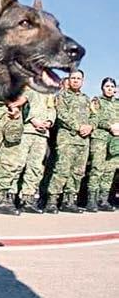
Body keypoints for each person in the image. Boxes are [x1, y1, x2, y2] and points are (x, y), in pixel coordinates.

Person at [0, 87, 56, 214]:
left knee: (35, 168)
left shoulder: (48, 91)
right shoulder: (27, 85)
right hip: (26, 130)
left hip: (42, 134)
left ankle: (28, 199)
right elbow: (19, 102)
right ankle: (7, 197)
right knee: (16, 164)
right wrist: (32, 119)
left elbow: (51, 108)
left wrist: (49, 121)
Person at [45, 70, 93, 214]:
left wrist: (90, 126)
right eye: (73, 78)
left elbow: (94, 116)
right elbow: (61, 114)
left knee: (78, 172)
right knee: (62, 170)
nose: (76, 81)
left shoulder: (86, 99)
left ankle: (69, 201)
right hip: (67, 139)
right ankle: (52, 201)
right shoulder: (61, 96)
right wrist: (79, 127)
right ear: (69, 80)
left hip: (83, 140)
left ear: (83, 81)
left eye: (79, 78)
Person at [86, 77, 119, 212]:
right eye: (107, 86)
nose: (109, 89)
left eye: (112, 86)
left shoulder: (117, 103)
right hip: (100, 139)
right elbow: (94, 119)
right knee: (97, 168)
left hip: (115, 140)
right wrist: (110, 126)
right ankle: (91, 200)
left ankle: (103, 199)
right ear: (102, 88)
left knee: (110, 170)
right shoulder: (96, 101)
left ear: (115, 89)